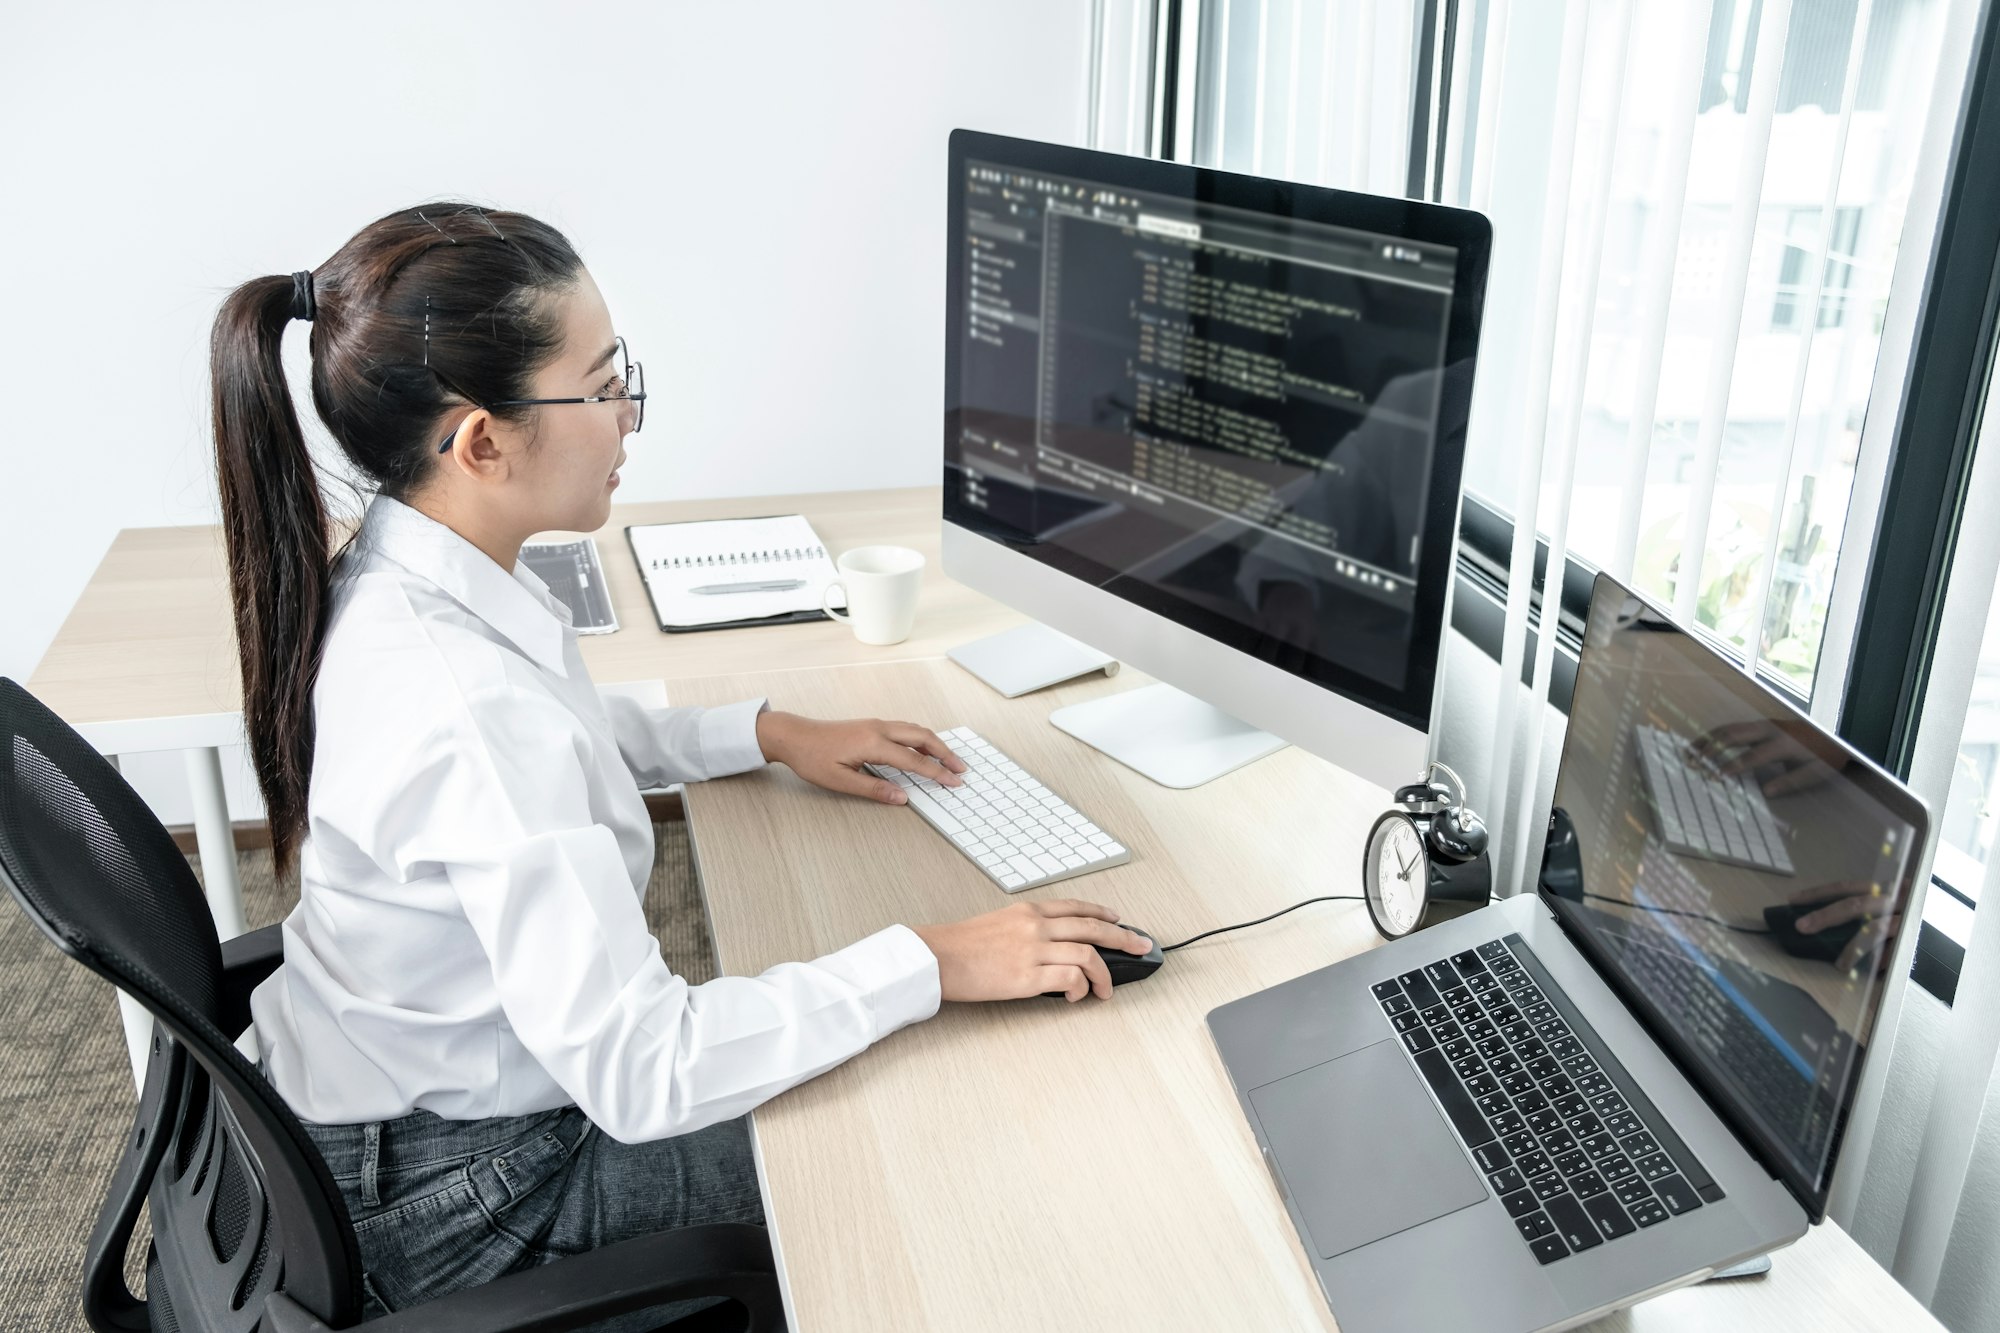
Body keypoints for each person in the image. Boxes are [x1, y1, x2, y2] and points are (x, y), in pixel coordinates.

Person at [212, 202, 1152, 1325]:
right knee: (925, 1129)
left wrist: (761, 731)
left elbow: (556, 737)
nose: (630, 420)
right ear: (481, 440)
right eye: (604, 388)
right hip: (462, 1196)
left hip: (354, 1115)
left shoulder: (408, 569)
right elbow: (642, 1069)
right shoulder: (467, 707)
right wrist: (930, 958)